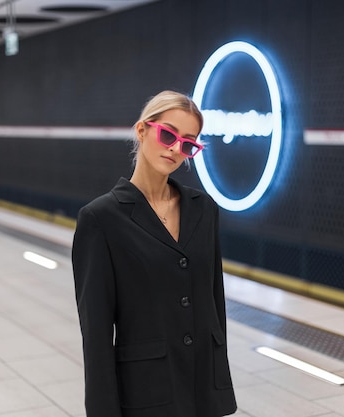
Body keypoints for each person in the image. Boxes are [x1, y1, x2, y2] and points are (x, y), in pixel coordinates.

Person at [72, 90, 238, 417]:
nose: (176, 149)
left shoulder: (203, 209)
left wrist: (219, 381)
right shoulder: (101, 218)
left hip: (204, 389)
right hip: (147, 394)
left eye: (188, 144)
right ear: (142, 130)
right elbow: (97, 335)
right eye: (167, 134)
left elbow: (213, 301)